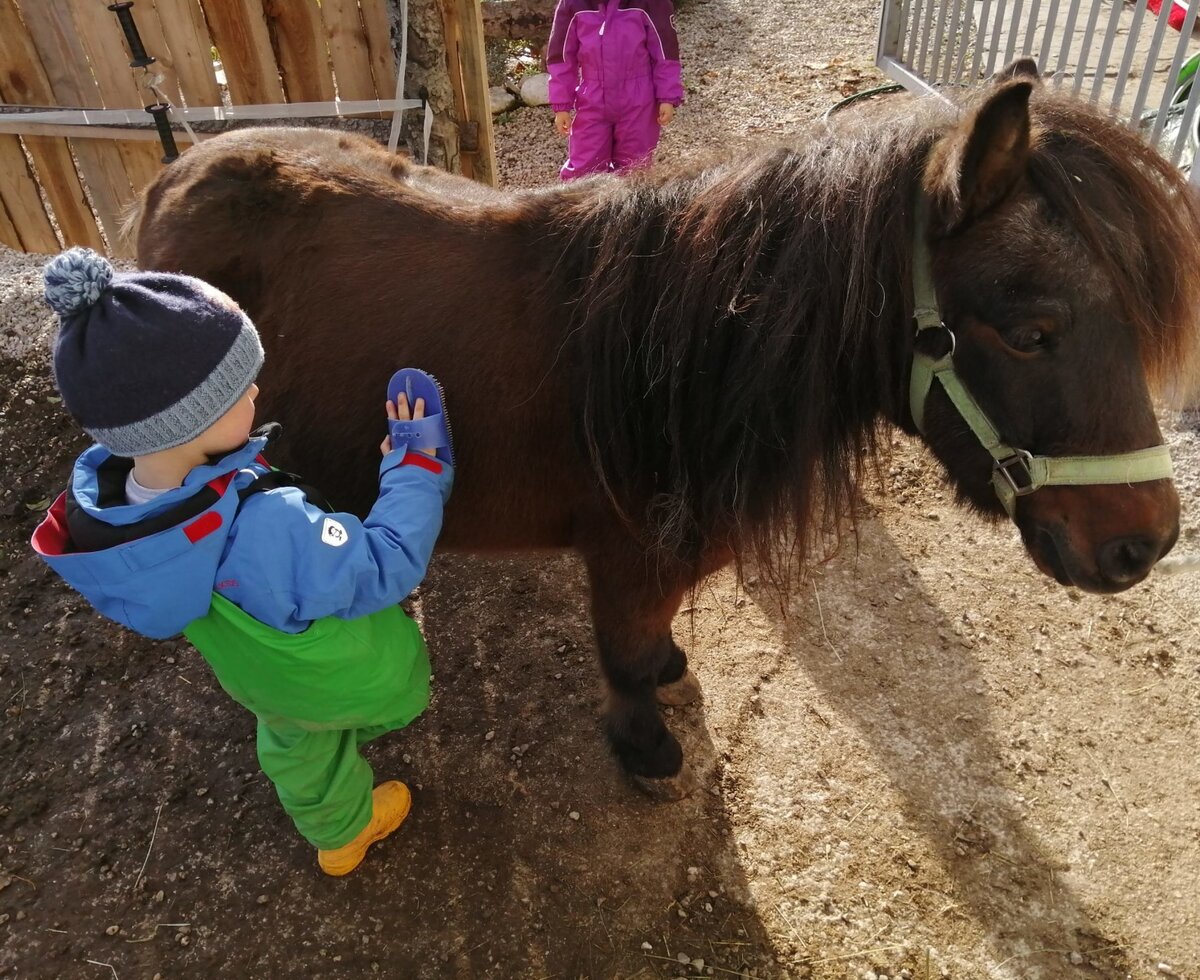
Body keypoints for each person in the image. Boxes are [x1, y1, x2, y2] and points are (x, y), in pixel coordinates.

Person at [30, 247, 455, 877]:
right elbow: (385, 563)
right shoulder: (269, 526)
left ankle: (341, 837)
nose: (257, 389)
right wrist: (416, 470)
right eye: (238, 389)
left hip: (259, 680)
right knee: (348, 700)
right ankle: (356, 731)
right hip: (335, 676)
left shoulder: (110, 514)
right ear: (190, 421)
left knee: (297, 742)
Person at [547, 0, 684, 181]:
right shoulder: (573, 4)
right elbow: (562, 55)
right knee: (584, 169)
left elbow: (665, 51)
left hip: (639, 99)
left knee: (635, 168)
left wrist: (667, 95)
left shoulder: (651, 3)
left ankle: (633, 208)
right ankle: (583, 208)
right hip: (592, 97)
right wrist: (561, 104)